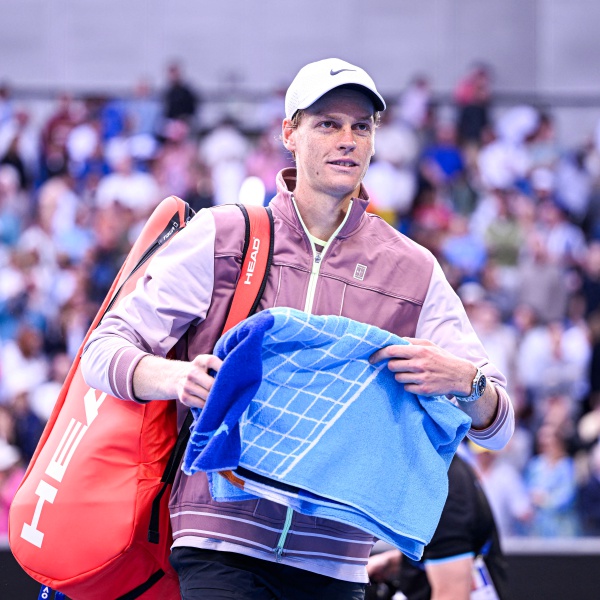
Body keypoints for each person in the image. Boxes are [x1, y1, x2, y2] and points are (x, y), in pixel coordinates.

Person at [81, 58, 514, 600]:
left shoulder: (413, 268)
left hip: (335, 566)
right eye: (327, 123)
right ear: (290, 132)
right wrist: (175, 378)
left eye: (362, 126)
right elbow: (102, 350)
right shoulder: (224, 234)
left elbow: (498, 425)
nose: (348, 140)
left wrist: (465, 380)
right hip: (219, 545)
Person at [366, 452, 510, 600]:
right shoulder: (440, 467)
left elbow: (452, 594)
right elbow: (446, 549)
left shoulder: (443, 490)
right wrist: (395, 561)